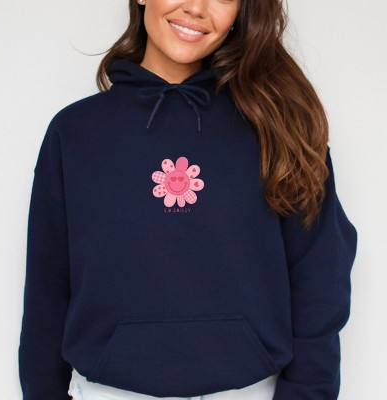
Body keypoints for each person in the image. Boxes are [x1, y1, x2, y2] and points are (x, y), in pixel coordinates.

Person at [18, 0, 358, 399]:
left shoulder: (279, 126)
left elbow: (320, 279)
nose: (196, 7)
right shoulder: (75, 132)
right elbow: (46, 288)